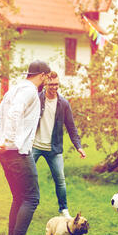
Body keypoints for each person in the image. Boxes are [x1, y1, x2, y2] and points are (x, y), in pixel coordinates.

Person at [0, 59, 51, 235]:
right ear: (43, 75)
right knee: (31, 198)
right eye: (47, 77)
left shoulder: (14, 89)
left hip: (6, 153)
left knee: (19, 198)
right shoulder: (29, 91)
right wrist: (9, 140)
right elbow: (15, 113)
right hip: (18, 152)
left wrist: (1, 141)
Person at [32, 71, 86, 219]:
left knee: (60, 179)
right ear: (45, 84)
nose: (54, 87)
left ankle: (63, 209)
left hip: (54, 148)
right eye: (51, 84)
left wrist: (78, 146)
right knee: (27, 177)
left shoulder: (64, 104)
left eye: (56, 84)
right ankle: (26, 205)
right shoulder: (37, 99)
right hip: (34, 146)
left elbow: (71, 127)